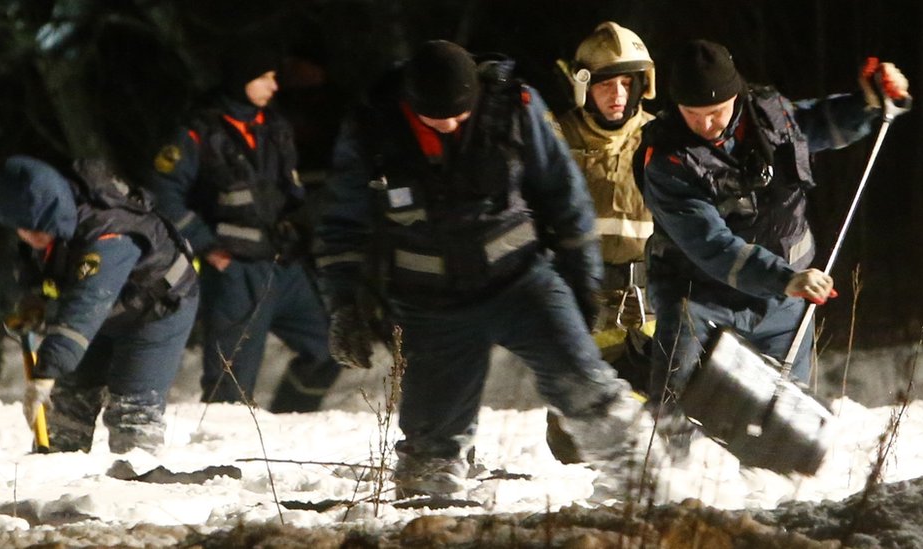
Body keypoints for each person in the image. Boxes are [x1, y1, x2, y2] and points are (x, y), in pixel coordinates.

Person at [314, 40, 657, 498]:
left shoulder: (512, 107)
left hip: (522, 280)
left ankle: (638, 471)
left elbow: (564, 197)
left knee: (583, 379)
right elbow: (341, 224)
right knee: (429, 448)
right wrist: (343, 306)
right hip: (429, 300)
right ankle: (430, 490)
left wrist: (581, 286)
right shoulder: (373, 127)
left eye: (459, 114)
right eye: (436, 119)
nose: (451, 125)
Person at [640, 40, 909, 406]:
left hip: (782, 307)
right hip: (699, 299)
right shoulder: (666, 160)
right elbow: (713, 246)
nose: (705, 123)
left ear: (736, 96)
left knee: (782, 424)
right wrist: (786, 278)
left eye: (715, 111)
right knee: (679, 412)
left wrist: (867, 105)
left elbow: (817, 123)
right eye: (692, 112)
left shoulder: (769, 116)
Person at [149, 44, 341, 413]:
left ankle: (292, 419)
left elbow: (291, 193)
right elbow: (164, 194)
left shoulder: (275, 126)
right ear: (244, 80)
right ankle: (222, 462)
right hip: (235, 270)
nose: (274, 86)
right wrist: (206, 245)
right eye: (266, 77)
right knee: (230, 384)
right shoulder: (198, 132)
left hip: (284, 264)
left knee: (330, 349)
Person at [0, 156, 199, 453]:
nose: (27, 236)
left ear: (49, 212)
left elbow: (86, 303)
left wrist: (46, 373)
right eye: (20, 228)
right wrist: (31, 303)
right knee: (66, 411)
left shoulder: (109, 232)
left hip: (155, 310)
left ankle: (137, 484)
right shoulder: (50, 222)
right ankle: (57, 488)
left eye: (32, 228)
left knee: (132, 414)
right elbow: (32, 278)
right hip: (103, 313)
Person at [555, 21, 656, 392]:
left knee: (651, 410)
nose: (617, 95)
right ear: (583, 86)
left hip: (648, 305)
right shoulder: (555, 139)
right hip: (582, 301)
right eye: (605, 84)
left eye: (627, 83)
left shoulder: (662, 140)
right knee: (576, 428)